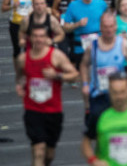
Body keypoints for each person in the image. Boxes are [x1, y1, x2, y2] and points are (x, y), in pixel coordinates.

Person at [15, 24, 79, 166]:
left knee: (49, 154)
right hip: (33, 110)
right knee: (38, 149)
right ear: (30, 38)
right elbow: (19, 75)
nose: (38, 40)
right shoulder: (23, 58)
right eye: (35, 36)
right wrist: (19, 85)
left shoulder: (56, 56)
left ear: (47, 39)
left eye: (41, 36)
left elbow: (75, 75)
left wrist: (56, 75)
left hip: (53, 111)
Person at [80, 13, 127, 136]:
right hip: (98, 93)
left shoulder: (123, 44)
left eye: (111, 26)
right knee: (98, 130)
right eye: (105, 26)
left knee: (119, 129)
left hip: (118, 94)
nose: (109, 30)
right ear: (101, 27)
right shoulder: (92, 46)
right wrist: (85, 84)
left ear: (115, 27)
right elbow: (84, 65)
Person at [81, 72, 127, 166]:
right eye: (115, 93)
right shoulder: (100, 115)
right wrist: (94, 161)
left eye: (122, 92)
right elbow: (85, 143)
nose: (119, 97)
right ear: (109, 91)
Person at [62, 0, 109, 67]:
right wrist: (77, 24)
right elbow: (65, 27)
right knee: (83, 74)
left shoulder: (101, 4)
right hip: (80, 46)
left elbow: (109, 20)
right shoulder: (73, 5)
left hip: (99, 44)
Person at [2, 0, 35, 64]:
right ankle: (18, 73)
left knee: (29, 50)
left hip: (29, 23)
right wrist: (13, 6)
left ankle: (28, 72)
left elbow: (35, 3)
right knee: (17, 50)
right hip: (15, 23)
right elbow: (3, 8)